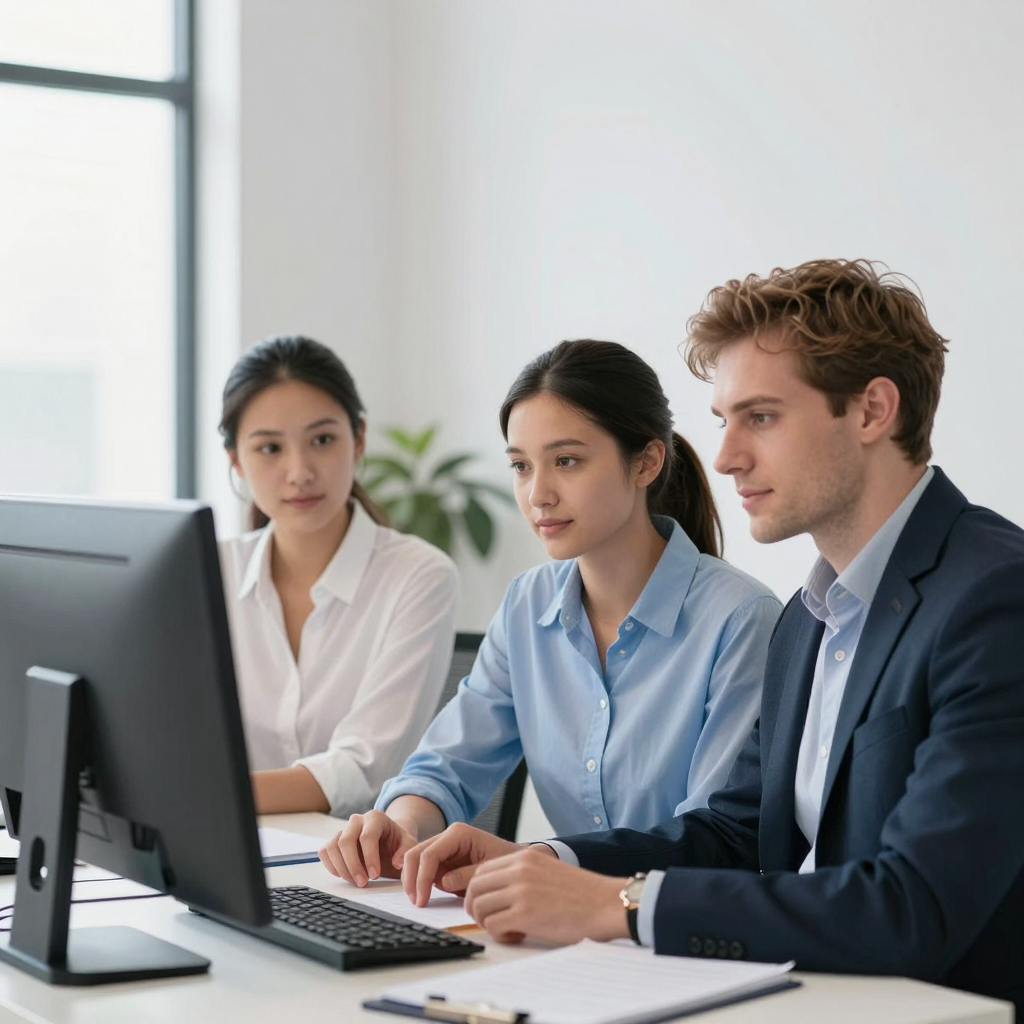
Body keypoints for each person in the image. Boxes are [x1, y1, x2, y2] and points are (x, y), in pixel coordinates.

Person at [397, 260, 1024, 1013]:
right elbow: (731, 832)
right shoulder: (809, 618)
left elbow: (912, 906)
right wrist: (545, 859)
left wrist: (621, 906)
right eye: (725, 420)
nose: (725, 456)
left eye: (760, 417)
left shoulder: (993, 600)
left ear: (870, 412)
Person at [319, 339, 781, 887]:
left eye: (567, 461)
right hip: (564, 929)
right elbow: (446, 766)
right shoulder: (527, 605)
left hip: (683, 930)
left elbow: (715, 838)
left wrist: (542, 859)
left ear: (646, 461)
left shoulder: (741, 620)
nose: (538, 494)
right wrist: (401, 826)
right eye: (520, 466)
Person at [218, 335, 458, 816]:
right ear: (236, 461)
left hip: (359, 870)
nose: (300, 471)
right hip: (228, 854)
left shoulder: (418, 576)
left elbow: (361, 770)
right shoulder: (212, 571)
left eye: (322, 440)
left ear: (359, 439)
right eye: (269, 448)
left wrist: (204, 797)